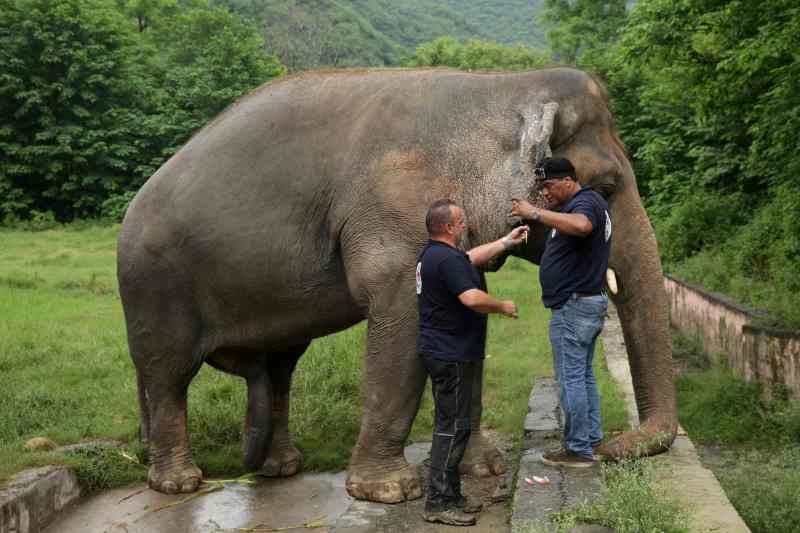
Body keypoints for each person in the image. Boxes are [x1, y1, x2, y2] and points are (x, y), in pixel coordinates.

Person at [416, 199, 528, 526]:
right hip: (449, 354)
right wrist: (502, 305)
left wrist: (506, 242)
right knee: (450, 429)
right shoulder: (444, 259)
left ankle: (449, 496)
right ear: (449, 227)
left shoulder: (436, 255)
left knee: (458, 426)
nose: (465, 225)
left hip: (446, 351)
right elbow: (471, 298)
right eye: (461, 221)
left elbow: (469, 259)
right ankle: (437, 502)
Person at [510, 157, 611, 468]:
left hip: (574, 305)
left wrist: (535, 213)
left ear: (569, 180)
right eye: (541, 189)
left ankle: (578, 449)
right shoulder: (577, 205)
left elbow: (582, 227)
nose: (545, 193)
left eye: (549, 186)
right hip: (581, 303)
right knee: (583, 375)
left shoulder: (587, 202)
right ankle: (591, 439)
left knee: (570, 378)